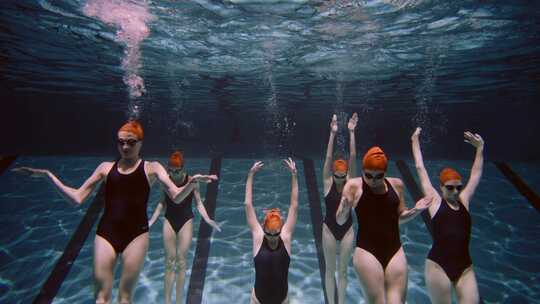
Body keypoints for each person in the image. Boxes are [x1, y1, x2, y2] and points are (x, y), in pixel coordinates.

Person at [13, 121, 217, 304]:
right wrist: (48, 176)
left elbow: (176, 196)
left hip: (136, 236)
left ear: (140, 144)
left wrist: (192, 182)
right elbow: (77, 199)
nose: (125, 147)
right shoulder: (105, 168)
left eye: (131, 142)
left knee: (124, 298)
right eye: (121, 142)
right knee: (101, 297)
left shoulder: (151, 168)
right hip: (106, 234)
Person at [336, 146, 432, 304]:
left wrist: (416, 210)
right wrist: (345, 210)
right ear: (363, 171)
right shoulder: (353, 186)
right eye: (369, 175)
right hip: (367, 251)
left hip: (395, 250)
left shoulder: (397, 185)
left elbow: (399, 217)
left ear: (385, 173)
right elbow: (339, 221)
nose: (373, 180)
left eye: (378, 176)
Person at [411, 128, 483, 304]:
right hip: (438, 266)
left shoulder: (464, 201)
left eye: (458, 187)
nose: (456, 191)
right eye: (450, 188)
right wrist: (414, 140)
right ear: (441, 187)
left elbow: (475, 176)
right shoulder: (435, 202)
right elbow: (420, 167)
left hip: (465, 267)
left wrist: (480, 148)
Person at [148, 151, 221, 304]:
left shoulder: (192, 181)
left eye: (177, 171)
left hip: (186, 221)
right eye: (171, 171)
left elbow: (199, 203)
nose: (174, 174)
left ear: (183, 169)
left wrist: (208, 219)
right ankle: (168, 301)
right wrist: (151, 221)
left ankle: (179, 301)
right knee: (169, 262)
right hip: (169, 220)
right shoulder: (165, 181)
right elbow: (162, 203)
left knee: (181, 262)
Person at [244, 158, 298, 304]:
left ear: (281, 229)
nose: (273, 237)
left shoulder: (285, 237)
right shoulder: (258, 236)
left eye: (276, 234)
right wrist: (250, 175)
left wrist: (294, 175)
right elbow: (248, 204)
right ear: (263, 228)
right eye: (269, 234)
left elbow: (294, 205)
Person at [321, 113, 358, 304]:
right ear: (333, 174)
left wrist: (352, 132)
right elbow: (328, 157)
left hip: (347, 231)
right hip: (328, 229)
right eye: (337, 176)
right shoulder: (327, 182)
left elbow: (352, 157)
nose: (340, 179)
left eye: (343, 176)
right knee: (329, 271)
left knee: (343, 271)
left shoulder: (350, 183)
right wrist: (332, 134)